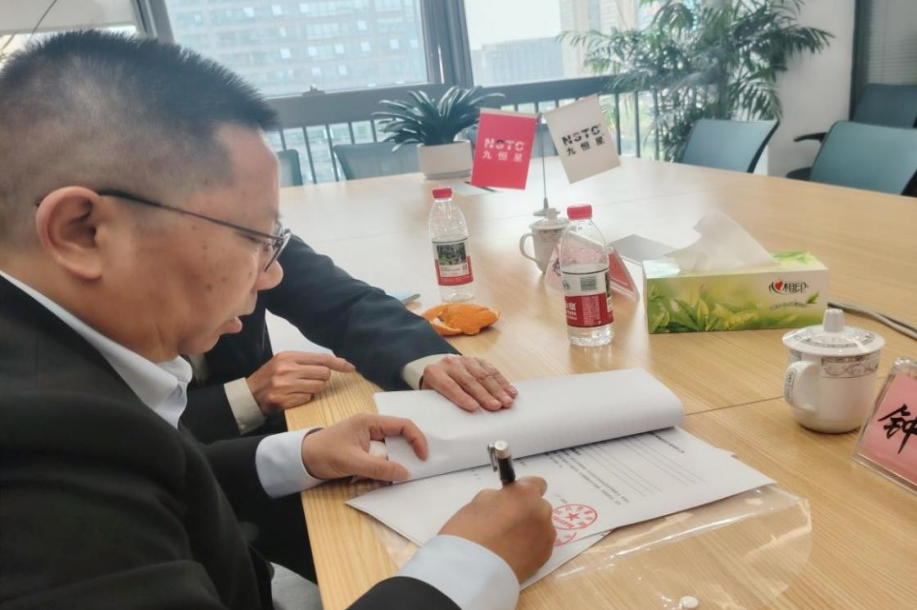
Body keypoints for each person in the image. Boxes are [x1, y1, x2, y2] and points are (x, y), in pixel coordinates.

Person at [0, 31, 556, 610]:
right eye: (253, 238)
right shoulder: (35, 452)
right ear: (82, 232)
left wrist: (299, 452)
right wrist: (468, 567)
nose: (272, 276)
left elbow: (158, 469)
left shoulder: (55, 373)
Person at [182, 234, 519, 444]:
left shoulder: (248, 228)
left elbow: (344, 303)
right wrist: (244, 397)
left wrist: (424, 360)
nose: (275, 275)